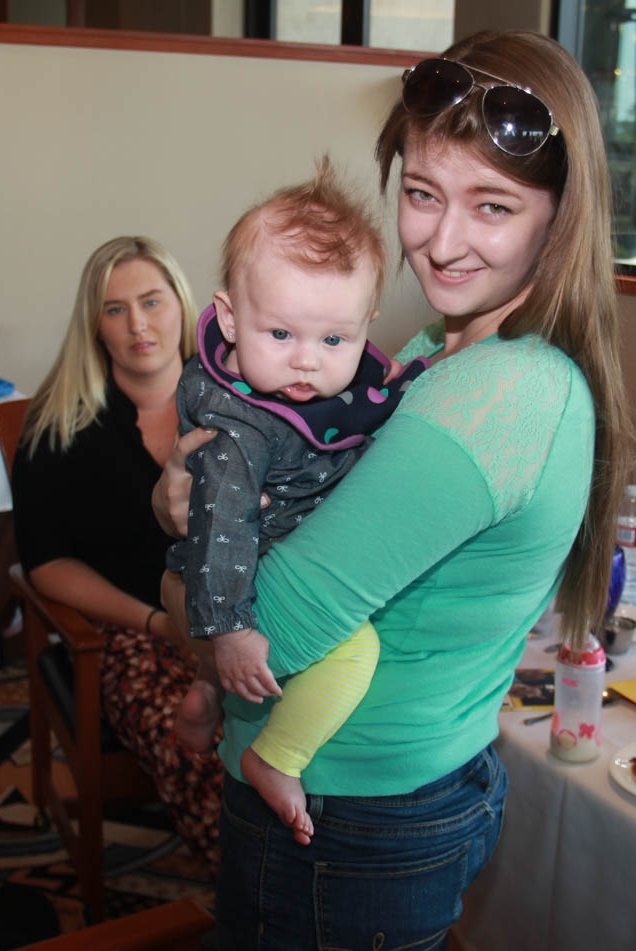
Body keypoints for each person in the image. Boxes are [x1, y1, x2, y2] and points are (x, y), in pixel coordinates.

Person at [155, 30, 636, 948]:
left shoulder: (498, 394)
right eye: (421, 193)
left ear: (559, 216)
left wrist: (171, 572)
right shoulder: (434, 352)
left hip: (351, 814)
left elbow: (275, 629)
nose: (441, 241)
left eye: (491, 205)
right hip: (385, 792)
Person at [167, 162, 429, 845]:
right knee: (353, 651)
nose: (307, 361)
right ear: (228, 317)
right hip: (232, 568)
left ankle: (201, 694)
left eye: (334, 340)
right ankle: (277, 756)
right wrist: (226, 626)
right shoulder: (241, 421)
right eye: (280, 335)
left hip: (250, 557)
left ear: (366, 324)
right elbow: (221, 520)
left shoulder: (321, 378)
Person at [11, 236, 222, 868]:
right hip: (132, 634)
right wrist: (159, 623)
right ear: (93, 325)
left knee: (323, 741)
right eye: (115, 309)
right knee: (211, 767)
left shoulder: (239, 401)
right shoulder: (59, 426)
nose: (138, 324)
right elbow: (45, 562)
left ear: (181, 307)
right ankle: (259, 908)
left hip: (241, 616)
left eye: (152, 301)